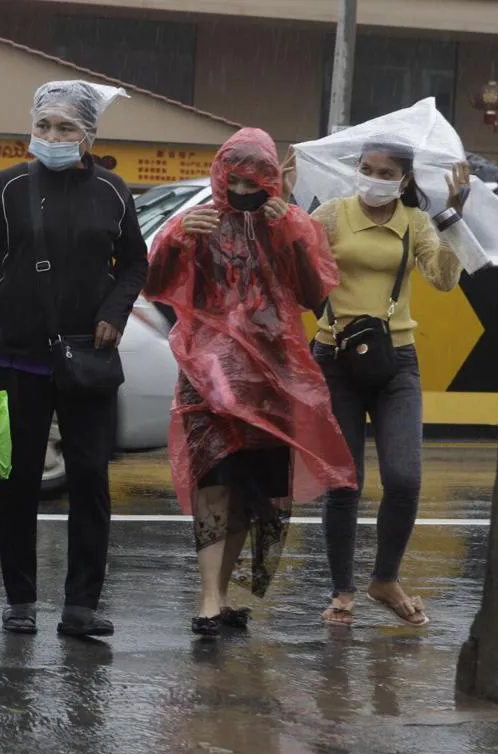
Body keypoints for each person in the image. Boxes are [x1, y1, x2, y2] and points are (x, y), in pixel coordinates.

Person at [0, 80, 148, 638]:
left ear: (88, 135)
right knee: (17, 481)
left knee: (90, 479)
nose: (53, 137)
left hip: (89, 358)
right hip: (18, 356)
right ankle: (20, 602)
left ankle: (81, 604)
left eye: (66, 128)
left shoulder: (112, 191)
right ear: (31, 126)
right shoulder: (6, 187)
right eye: (44, 126)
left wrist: (115, 309)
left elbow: (135, 263)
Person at [145, 128, 356, 638]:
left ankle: (236, 592)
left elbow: (311, 294)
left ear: (270, 181)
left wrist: (294, 236)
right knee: (214, 479)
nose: (242, 191)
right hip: (208, 372)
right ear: (221, 175)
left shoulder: (290, 224)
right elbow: (153, 284)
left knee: (259, 491)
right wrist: (176, 239)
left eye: (254, 181)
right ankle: (210, 595)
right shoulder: (195, 221)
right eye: (233, 180)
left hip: (272, 376)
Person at [299, 142, 468, 627]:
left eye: (385, 172)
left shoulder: (415, 222)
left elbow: (442, 280)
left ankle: (385, 578)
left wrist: (453, 219)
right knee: (344, 483)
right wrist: (288, 205)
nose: (373, 178)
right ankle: (342, 591)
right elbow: (297, 270)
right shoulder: (331, 215)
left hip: (397, 361)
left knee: (405, 477)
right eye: (366, 169)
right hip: (334, 358)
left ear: (405, 178)